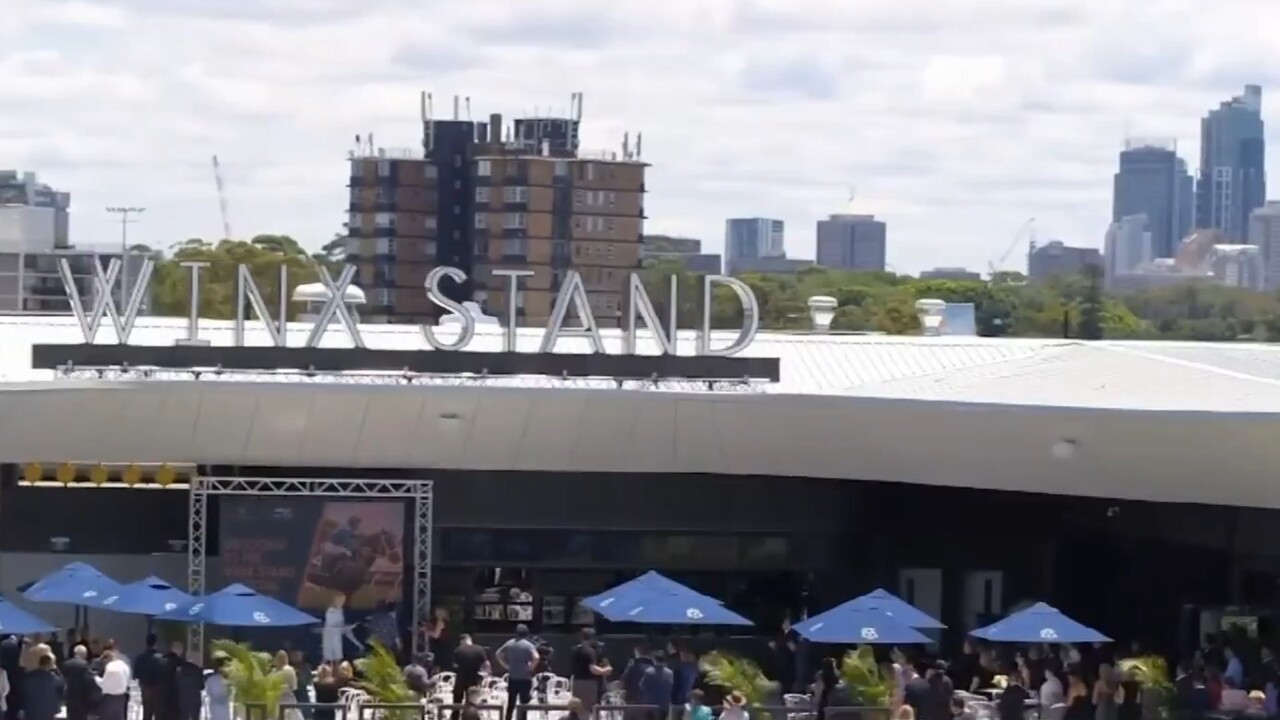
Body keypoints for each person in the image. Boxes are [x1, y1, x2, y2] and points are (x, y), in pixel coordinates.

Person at [496, 625, 539, 720]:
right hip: (525, 678)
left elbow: (498, 653)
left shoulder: (509, 643)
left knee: (511, 702)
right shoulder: (528, 645)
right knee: (524, 704)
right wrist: (530, 668)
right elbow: (536, 657)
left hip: (513, 677)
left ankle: (508, 718)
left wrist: (506, 665)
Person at [570, 629, 609, 712]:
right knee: (588, 709)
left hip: (576, 681)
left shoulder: (575, 650)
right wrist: (605, 671)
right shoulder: (589, 651)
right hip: (588, 683)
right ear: (592, 638)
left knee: (577, 708)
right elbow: (593, 669)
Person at [452, 635, 487, 720]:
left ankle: (455, 717)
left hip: (461, 678)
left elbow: (454, 664)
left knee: (457, 700)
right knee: (473, 702)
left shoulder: (459, 650)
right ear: (470, 640)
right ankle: (473, 717)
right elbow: (486, 664)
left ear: (462, 641)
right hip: (474, 678)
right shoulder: (479, 649)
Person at [62, 645, 99, 720]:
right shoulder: (85, 665)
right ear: (84, 654)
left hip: (69, 696)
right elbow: (88, 682)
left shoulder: (66, 664)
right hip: (82, 697)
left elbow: (63, 679)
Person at [22, 654, 63, 720]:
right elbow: (61, 682)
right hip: (47, 709)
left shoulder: (30, 675)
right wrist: (56, 669)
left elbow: (23, 690)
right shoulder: (51, 676)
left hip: (32, 708)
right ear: (49, 665)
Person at [95, 648, 131, 720]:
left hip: (110, 699)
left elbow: (104, 685)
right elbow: (128, 680)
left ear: (107, 659)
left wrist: (95, 678)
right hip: (122, 697)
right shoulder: (124, 665)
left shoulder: (110, 667)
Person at [135, 634, 164, 720]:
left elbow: (136, 673)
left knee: (146, 712)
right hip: (157, 688)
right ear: (156, 644)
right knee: (158, 712)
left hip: (144, 687)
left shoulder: (140, 657)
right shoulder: (160, 658)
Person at [640, 651, 674, 720]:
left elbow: (642, 686)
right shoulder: (670, 673)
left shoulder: (648, 672)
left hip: (651, 705)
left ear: (654, 660)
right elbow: (671, 686)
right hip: (664, 705)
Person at [205, 656, 232, 720]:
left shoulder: (210, 679)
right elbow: (229, 692)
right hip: (224, 707)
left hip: (214, 706)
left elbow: (208, 692)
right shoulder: (226, 680)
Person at [323, 594, 348, 663]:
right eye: (341, 600)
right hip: (330, 633)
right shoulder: (331, 610)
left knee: (338, 654)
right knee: (329, 654)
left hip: (337, 634)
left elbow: (341, 622)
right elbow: (331, 623)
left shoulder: (341, 610)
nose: (342, 602)